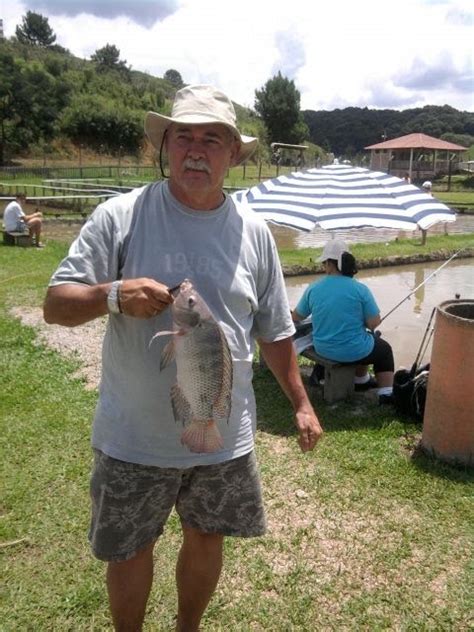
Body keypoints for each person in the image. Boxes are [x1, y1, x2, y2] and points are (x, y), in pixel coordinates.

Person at [43, 84, 323, 631]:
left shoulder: (255, 233)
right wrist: (113, 294)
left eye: (212, 139)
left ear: (234, 155)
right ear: (165, 146)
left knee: (207, 535)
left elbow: (274, 331)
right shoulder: (119, 217)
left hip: (224, 435)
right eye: (184, 137)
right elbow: (55, 305)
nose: (196, 150)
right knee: (129, 549)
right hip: (134, 437)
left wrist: (301, 402)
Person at [292, 239, 395, 405]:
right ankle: (386, 394)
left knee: (367, 339)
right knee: (384, 350)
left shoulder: (313, 288)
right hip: (354, 349)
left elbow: (297, 317)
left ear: (332, 265)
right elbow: (374, 323)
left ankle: (361, 380)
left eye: (325, 263)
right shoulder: (360, 289)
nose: (324, 267)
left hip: (323, 348)